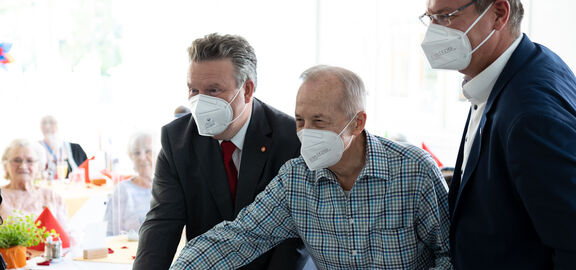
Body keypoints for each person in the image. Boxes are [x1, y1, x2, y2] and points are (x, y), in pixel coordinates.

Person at [170, 65, 451, 269]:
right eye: (300, 121)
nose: (306, 133)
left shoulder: (414, 171)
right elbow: (239, 238)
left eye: (319, 121)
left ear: (357, 122)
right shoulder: (296, 180)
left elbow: (451, 254)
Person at [420, 0, 576, 268]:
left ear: (498, 14)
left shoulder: (529, 115)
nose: (432, 33)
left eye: (446, 17)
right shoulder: (517, 67)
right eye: (429, 17)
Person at [133, 33, 309, 270]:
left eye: (213, 90)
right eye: (194, 90)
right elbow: (162, 223)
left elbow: (294, 236)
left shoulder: (290, 140)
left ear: (247, 90)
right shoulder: (177, 142)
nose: (201, 103)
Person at [0, 139, 68, 226]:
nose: (23, 166)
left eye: (30, 161)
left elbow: (68, 234)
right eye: (17, 160)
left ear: (39, 166)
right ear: (6, 165)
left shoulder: (52, 197)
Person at [104, 132, 156, 236]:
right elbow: (109, 234)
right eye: (137, 153)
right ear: (131, 157)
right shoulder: (122, 190)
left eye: (148, 151)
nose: (142, 157)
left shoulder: (167, 189)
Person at [39, 115, 88, 179]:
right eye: (44, 123)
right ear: (40, 127)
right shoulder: (34, 149)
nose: (48, 126)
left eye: (51, 122)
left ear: (58, 125)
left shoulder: (76, 149)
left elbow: (87, 172)